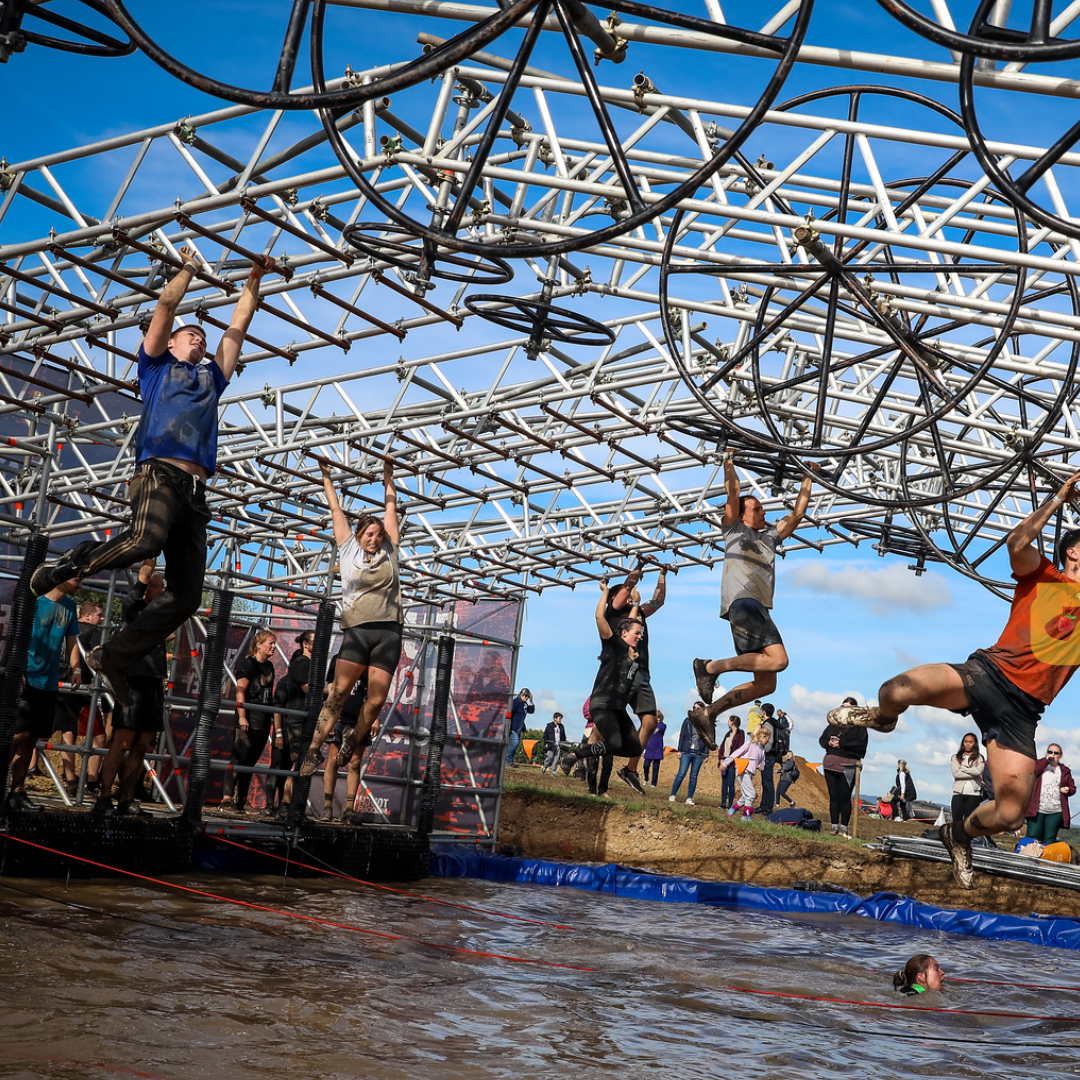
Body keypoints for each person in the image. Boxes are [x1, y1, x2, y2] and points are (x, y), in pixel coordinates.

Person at [30, 247, 275, 708]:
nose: (199, 339)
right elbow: (165, 306)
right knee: (145, 539)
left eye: (203, 337)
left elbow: (237, 328)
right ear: (172, 344)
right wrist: (188, 269)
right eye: (190, 334)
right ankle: (69, 567)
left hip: (195, 493)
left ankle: (115, 656)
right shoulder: (157, 368)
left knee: (188, 596)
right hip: (158, 472)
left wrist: (254, 279)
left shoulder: (212, 379)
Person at [827, 469, 1080, 888]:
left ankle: (957, 835)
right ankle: (882, 718)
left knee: (1011, 814)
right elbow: (1017, 543)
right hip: (987, 674)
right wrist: (1057, 499)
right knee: (894, 690)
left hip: (1023, 711)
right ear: (1073, 551)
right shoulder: (1044, 576)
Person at [691, 454, 816, 747]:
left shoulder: (770, 536)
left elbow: (797, 513)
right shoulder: (734, 529)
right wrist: (729, 463)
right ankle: (710, 667)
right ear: (742, 515)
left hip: (758, 607)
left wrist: (808, 477)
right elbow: (733, 493)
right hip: (742, 602)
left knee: (766, 684)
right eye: (757, 509)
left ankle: (710, 712)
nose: (763, 512)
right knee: (780, 660)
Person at [301, 457, 402, 778]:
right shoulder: (348, 549)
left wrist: (388, 475)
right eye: (369, 534)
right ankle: (313, 749)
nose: (374, 539)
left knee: (376, 701)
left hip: (388, 633)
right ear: (359, 535)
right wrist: (326, 476)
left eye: (378, 534)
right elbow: (335, 510)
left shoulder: (390, 550)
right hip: (358, 632)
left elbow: (391, 507)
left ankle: (351, 740)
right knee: (338, 694)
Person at [92, 561, 169, 817]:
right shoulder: (134, 608)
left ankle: (127, 799)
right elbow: (144, 575)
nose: (161, 590)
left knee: (142, 744)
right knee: (123, 741)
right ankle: (104, 797)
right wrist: (152, 553)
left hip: (154, 682)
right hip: (134, 680)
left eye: (162, 586)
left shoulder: (162, 614)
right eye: (156, 586)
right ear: (145, 589)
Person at [4, 576, 81, 813]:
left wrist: (76, 669)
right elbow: (14, 636)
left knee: (31, 739)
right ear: (59, 578)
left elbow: (72, 642)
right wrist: (16, 668)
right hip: (26, 678)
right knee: (17, 736)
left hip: (49, 682)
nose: (80, 582)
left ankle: (17, 792)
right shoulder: (34, 602)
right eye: (76, 577)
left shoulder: (69, 606)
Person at [600, 563, 668, 795]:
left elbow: (658, 601)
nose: (630, 597)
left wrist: (662, 575)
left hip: (642, 672)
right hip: (622, 671)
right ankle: (584, 754)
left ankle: (630, 769)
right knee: (610, 714)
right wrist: (639, 563)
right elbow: (628, 586)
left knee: (650, 721)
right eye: (625, 595)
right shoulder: (614, 613)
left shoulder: (638, 613)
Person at [571, 581, 646, 770]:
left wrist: (637, 604)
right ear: (624, 633)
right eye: (637, 634)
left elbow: (630, 623)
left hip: (617, 707)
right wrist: (605, 591)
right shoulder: (612, 644)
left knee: (634, 748)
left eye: (641, 634)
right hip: (603, 703)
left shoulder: (632, 653)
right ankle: (575, 756)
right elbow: (599, 616)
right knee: (614, 743)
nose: (640, 636)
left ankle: (578, 753)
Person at [220, 629, 277, 814]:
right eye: (270, 643)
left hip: (263, 720)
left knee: (251, 761)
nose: (273, 647)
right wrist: (243, 716)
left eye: (274, 643)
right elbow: (240, 691)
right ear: (258, 645)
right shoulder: (248, 664)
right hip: (248, 720)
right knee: (239, 757)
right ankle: (226, 800)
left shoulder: (269, 666)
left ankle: (242, 800)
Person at [57, 598, 106, 797]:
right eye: (99, 615)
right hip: (82, 688)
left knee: (66, 732)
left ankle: (70, 779)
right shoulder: (92, 631)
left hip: (61, 684)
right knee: (99, 737)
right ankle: (91, 780)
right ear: (87, 616)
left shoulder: (67, 629)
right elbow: (98, 656)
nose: (102, 619)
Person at [324, 653, 374, 823]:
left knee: (354, 763)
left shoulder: (370, 661)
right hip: (339, 716)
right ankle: (327, 808)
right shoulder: (338, 658)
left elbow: (375, 693)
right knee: (333, 760)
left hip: (361, 718)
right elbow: (330, 687)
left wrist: (376, 718)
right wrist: (329, 718)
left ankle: (349, 810)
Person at [268, 631, 312, 819]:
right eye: (314, 640)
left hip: (303, 721)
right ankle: (281, 806)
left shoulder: (312, 666)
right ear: (305, 644)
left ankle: (292, 807)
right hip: (293, 723)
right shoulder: (301, 664)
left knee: (301, 765)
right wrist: (278, 733)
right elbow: (278, 706)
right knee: (293, 765)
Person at [819, 699, 867, 836]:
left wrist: (841, 744)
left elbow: (860, 746)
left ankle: (844, 827)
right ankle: (834, 826)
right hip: (831, 763)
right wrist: (829, 743)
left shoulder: (860, 727)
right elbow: (822, 740)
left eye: (848, 707)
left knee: (845, 797)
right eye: (842, 707)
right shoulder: (833, 724)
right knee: (834, 796)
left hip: (849, 764)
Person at [1025, 743, 1075, 845]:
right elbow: (1033, 772)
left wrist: (1068, 789)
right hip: (1037, 810)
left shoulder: (1064, 771)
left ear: (1060, 756)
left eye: (1056, 753)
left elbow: (1073, 788)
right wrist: (1046, 760)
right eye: (1050, 752)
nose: (1052, 754)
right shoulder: (1040, 765)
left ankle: (1047, 855)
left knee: (1049, 839)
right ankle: (1028, 855)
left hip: (1056, 811)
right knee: (1032, 837)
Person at [722, 725, 769, 820]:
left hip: (750, 773)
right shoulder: (750, 744)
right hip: (743, 771)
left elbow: (762, 761)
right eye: (768, 739)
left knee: (745, 796)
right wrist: (726, 762)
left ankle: (731, 810)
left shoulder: (762, 750)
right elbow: (737, 752)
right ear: (763, 737)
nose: (768, 741)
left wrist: (761, 765)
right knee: (751, 794)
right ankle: (746, 817)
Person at [668, 705, 710, 805]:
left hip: (698, 753)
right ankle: (673, 795)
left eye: (698, 708)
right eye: (694, 707)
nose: (695, 709)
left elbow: (707, 739)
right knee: (681, 773)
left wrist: (706, 754)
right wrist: (679, 750)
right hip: (686, 752)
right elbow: (682, 735)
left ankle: (689, 798)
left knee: (694, 776)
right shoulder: (687, 721)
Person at [951, 732, 986, 829]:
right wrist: (973, 771)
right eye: (966, 741)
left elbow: (978, 771)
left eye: (970, 742)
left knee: (969, 822)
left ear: (975, 743)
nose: (967, 744)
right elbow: (956, 774)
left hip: (974, 794)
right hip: (958, 793)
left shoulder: (979, 758)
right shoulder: (956, 757)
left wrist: (963, 769)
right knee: (956, 821)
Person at [717, 714, 745, 808]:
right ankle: (723, 803)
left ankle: (730, 804)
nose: (728, 723)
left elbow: (738, 750)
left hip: (732, 763)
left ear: (732, 722)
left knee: (731, 784)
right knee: (724, 784)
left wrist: (730, 760)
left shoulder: (740, 734)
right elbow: (722, 747)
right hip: (724, 761)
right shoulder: (727, 734)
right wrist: (721, 759)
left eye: (729, 721)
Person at [504, 688, 535, 767]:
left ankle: (510, 760)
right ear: (521, 695)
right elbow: (510, 712)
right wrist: (508, 723)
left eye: (527, 696)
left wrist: (531, 701)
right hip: (513, 727)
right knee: (515, 742)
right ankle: (508, 759)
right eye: (525, 696)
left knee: (515, 744)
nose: (526, 698)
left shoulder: (524, 704)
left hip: (519, 728)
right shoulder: (516, 702)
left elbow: (531, 710)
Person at [757, 702, 779, 814]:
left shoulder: (768, 724)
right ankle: (763, 805)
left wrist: (762, 752)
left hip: (768, 755)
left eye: (761, 711)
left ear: (764, 712)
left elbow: (769, 741)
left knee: (768, 782)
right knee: (765, 782)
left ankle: (768, 807)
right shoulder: (773, 723)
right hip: (770, 755)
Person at [642, 712, 667, 787]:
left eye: (658, 717)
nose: (657, 719)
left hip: (658, 749)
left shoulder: (663, 725)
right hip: (649, 748)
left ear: (661, 718)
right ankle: (646, 779)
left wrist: (656, 728)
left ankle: (653, 783)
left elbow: (661, 729)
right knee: (646, 765)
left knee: (655, 769)